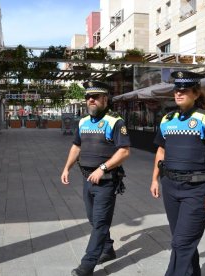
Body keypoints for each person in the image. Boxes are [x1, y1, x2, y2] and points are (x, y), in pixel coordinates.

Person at [150, 71, 205, 276]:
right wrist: (155, 179)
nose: (179, 94)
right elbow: (161, 151)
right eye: (176, 90)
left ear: (195, 93)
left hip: (197, 190)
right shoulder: (167, 119)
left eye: (184, 90)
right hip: (170, 187)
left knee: (182, 243)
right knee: (182, 239)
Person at [61, 81, 131, 276]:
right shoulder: (83, 122)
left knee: (100, 222)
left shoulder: (115, 121)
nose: (90, 100)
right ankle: (107, 249)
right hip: (87, 179)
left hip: (107, 181)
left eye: (95, 96)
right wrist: (67, 167)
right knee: (93, 219)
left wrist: (103, 168)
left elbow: (124, 152)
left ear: (104, 99)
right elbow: (76, 146)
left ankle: (87, 265)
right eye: (88, 97)